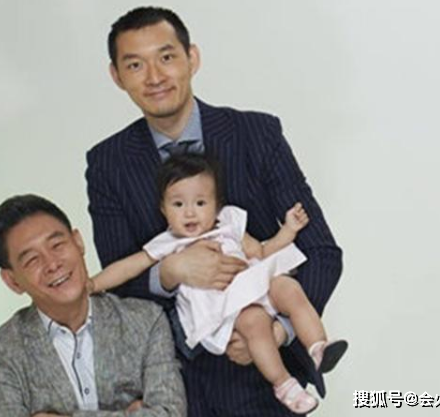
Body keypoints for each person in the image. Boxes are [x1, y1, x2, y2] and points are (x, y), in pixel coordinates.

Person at [86, 6, 343, 416]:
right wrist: (169, 273)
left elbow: (322, 253)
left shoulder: (257, 134)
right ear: (117, 76)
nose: (154, 76)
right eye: (135, 65)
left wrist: (276, 331)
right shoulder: (108, 163)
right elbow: (119, 287)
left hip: (266, 384)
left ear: (192, 57)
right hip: (174, 386)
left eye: (166, 57)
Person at [88, 155, 347, 414]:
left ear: (216, 205)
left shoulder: (229, 223)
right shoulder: (169, 242)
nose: (190, 212)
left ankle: (317, 347)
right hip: (224, 307)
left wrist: (288, 230)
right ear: (164, 209)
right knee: (256, 321)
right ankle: (284, 385)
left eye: (200, 203)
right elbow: (127, 267)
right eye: (178, 204)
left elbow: (260, 252)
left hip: (254, 285)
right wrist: (93, 284)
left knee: (288, 288)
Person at [0, 194, 186, 417]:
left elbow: (170, 413)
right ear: (13, 281)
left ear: (78, 242)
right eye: (32, 260)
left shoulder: (146, 321)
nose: (52, 264)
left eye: (57, 245)